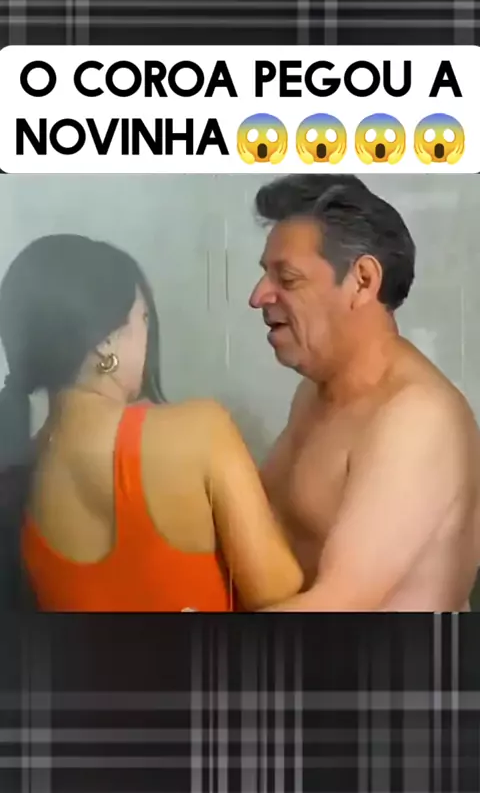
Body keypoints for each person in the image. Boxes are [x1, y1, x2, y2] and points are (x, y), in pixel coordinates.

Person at [0, 234, 302, 612]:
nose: (148, 336)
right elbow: (277, 593)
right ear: (104, 342)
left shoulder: (18, 476)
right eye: (142, 318)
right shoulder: (198, 431)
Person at [249, 174, 480, 612]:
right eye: (265, 274)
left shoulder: (416, 419)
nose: (258, 296)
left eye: (288, 279)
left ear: (362, 281)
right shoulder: (314, 394)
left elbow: (341, 606)